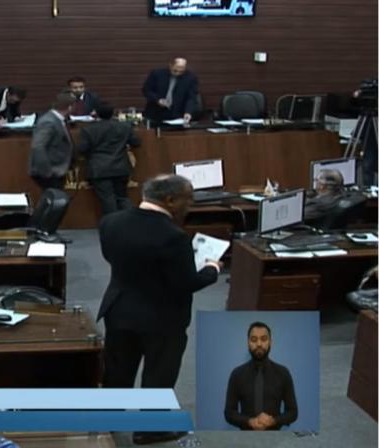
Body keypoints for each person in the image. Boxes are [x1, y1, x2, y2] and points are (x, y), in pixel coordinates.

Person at [97, 174, 220, 446]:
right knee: (158, 375)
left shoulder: (110, 222)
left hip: (119, 310)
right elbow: (186, 283)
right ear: (170, 200)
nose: (191, 204)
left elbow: (112, 258)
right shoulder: (174, 236)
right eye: (189, 199)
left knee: (117, 370)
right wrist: (212, 269)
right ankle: (149, 430)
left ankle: (108, 420)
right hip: (162, 319)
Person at [224, 322, 298, 430]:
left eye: (264, 339)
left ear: (270, 342)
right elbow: (229, 413)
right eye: (254, 339)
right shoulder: (236, 374)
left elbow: (293, 412)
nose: (259, 344)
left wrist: (273, 421)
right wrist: (249, 421)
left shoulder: (283, 373)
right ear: (248, 342)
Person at [77, 102, 142, 214]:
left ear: (96, 114)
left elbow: (82, 149)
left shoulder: (89, 130)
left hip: (99, 169)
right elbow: (136, 143)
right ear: (113, 113)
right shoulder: (125, 127)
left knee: (107, 199)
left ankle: (112, 223)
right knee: (122, 197)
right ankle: (130, 221)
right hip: (120, 167)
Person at [28, 92, 76, 191]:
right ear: (70, 107)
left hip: (56, 170)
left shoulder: (58, 120)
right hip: (50, 171)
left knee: (56, 198)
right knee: (55, 198)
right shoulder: (49, 121)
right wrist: (47, 172)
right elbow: (38, 146)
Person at [142, 57, 199, 124]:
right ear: (170, 65)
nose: (178, 73)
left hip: (177, 114)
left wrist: (188, 112)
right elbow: (147, 90)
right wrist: (157, 99)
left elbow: (191, 97)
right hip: (155, 112)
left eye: (181, 72)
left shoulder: (190, 78)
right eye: (175, 70)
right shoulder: (157, 74)